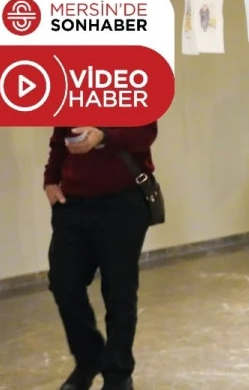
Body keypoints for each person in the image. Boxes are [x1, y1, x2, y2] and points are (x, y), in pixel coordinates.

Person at [44, 124, 158, 390]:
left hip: (123, 202)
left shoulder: (133, 83)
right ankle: (90, 358)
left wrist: (104, 135)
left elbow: (146, 134)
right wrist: (50, 180)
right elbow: (59, 138)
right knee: (63, 281)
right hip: (73, 203)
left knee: (119, 291)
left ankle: (118, 375)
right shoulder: (71, 86)